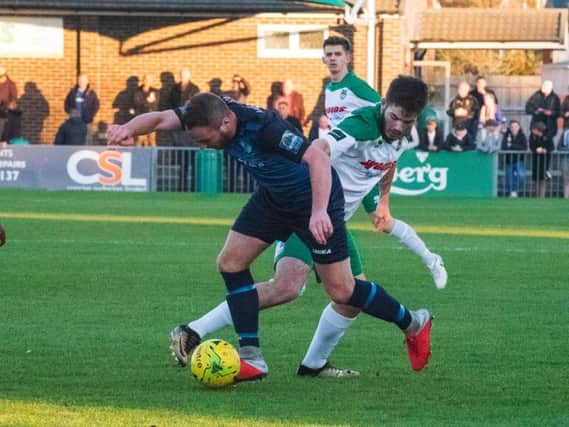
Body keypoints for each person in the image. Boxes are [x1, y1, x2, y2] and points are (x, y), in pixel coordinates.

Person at [107, 81, 433, 382]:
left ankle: (413, 322)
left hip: (313, 202)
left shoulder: (267, 129)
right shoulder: (209, 109)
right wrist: (127, 129)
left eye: (205, 140)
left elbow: (318, 158)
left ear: (225, 124)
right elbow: (163, 117)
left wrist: (320, 212)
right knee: (231, 262)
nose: (205, 147)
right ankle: (253, 357)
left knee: (344, 293)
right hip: (274, 199)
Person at [166, 37, 445, 379]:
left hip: (334, 220)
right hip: (310, 209)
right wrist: (317, 208)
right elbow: (321, 148)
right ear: (384, 104)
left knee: (347, 298)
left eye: (407, 121)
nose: (399, 126)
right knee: (287, 285)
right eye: (395, 117)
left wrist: (383, 201)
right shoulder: (361, 122)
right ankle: (195, 330)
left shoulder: (399, 132)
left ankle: (314, 366)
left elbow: (387, 163)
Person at [64, 74, 100, 144]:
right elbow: (66, 104)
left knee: (88, 140)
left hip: (87, 121)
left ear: (87, 82)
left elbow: (96, 106)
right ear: (78, 82)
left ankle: (87, 154)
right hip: (74, 122)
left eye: (83, 81)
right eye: (80, 81)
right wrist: (71, 113)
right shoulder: (72, 92)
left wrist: (90, 115)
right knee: (74, 139)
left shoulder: (91, 93)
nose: (82, 83)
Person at [501, 120, 528, 198]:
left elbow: (524, 148)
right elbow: (503, 147)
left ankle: (516, 190)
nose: (514, 128)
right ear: (509, 128)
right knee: (509, 178)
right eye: (512, 127)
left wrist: (512, 146)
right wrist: (514, 147)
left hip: (519, 160)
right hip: (509, 161)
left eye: (515, 126)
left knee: (521, 176)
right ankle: (511, 193)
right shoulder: (506, 136)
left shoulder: (522, 136)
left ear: (519, 127)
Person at [133, 74, 160, 147]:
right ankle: (137, 157)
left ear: (151, 81)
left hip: (152, 119)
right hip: (140, 119)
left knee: (152, 140)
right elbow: (137, 103)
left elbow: (155, 104)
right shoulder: (137, 92)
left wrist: (146, 102)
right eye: (146, 80)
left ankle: (153, 158)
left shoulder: (155, 92)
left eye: (149, 80)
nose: (148, 82)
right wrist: (147, 101)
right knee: (140, 139)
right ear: (143, 81)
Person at [529, 121, 554, 198]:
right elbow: (531, 146)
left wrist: (544, 150)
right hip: (535, 158)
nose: (533, 131)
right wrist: (535, 150)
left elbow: (552, 147)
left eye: (534, 129)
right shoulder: (532, 136)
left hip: (545, 159)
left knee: (542, 177)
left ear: (538, 129)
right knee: (535, 177)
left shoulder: (548, 135)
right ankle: (536, 195)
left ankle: (542, 195)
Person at [0, 66, 19, 144]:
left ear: (4, 75)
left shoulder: (11, 85)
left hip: (5, 115)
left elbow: (14, 100)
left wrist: (8, 106)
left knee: (4, 137)